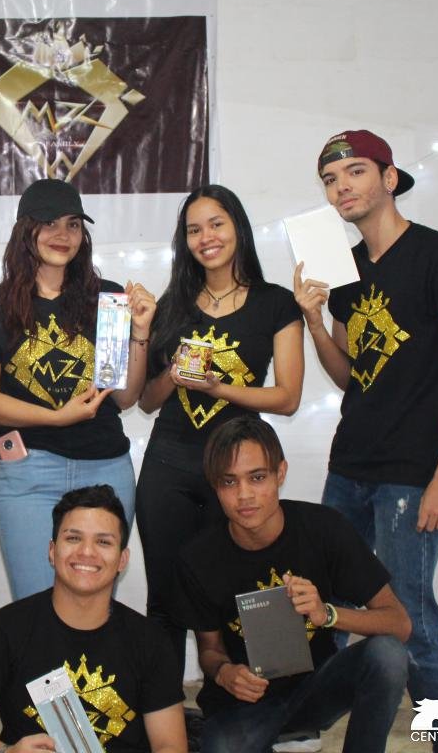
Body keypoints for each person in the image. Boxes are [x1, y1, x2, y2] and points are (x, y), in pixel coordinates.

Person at [294, 130, 438, 750]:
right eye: (330, 179)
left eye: (355, 171)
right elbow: (351, 374)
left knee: (412, 622)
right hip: (349, 466)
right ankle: (304, 730)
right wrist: (315, 322)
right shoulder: (343, 270)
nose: (341, 187)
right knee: (328, 605)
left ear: (390, 178)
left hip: (413, 473)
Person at [137, 184, 304, 668]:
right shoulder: (172, 303)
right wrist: (172, 376)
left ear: (238, 228)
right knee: (165, 596)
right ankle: (163, 704)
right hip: (168, 467)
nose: (206, 237)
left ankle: (263, 698)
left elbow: (287, 398)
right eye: (194, 230)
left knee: (247, 589)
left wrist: (219, 388)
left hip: (238, 471)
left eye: (216, 224)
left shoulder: (275, 303)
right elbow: (146, 401)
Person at [173, 417, 411, 753]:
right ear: (215, 486)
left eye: (257, 477)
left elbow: (399, 623)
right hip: (243, 705)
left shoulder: (324, 529)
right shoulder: (198, 558)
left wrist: (327, 614)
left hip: (316, 690)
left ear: (280, 473)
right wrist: (226, 673)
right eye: (229, 481)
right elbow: (209, 649)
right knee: (221, 747)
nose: (244, 495)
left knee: (388, 656)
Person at [0, 178, 156, 599]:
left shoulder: (107, 298)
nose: (62, 235)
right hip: (29, 471)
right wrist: (56, 417)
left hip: (106, 467)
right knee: (35, 605)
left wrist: (140, 333)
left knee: (95, 604)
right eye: (49, 223)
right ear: (25, 230)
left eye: (72, 224)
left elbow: (124, 397)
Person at [0, 485, 187, 753]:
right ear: (52, 551)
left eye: (103, 542)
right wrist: (6, 752)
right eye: (73, 538)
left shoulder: (150, 641)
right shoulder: (4, 629)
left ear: (122, 560)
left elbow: (170, 745)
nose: (87, 552)